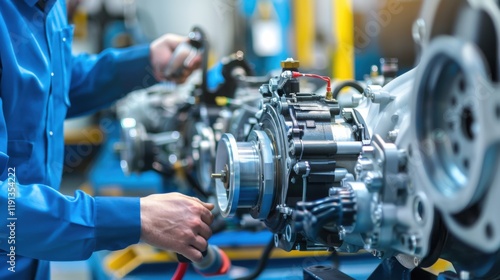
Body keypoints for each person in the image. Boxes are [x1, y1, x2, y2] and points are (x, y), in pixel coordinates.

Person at [0, 1, 213, 279]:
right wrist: (135, 219)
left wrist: (146, 62)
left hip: (35, 257)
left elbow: (50, 85)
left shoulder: (50, 10)